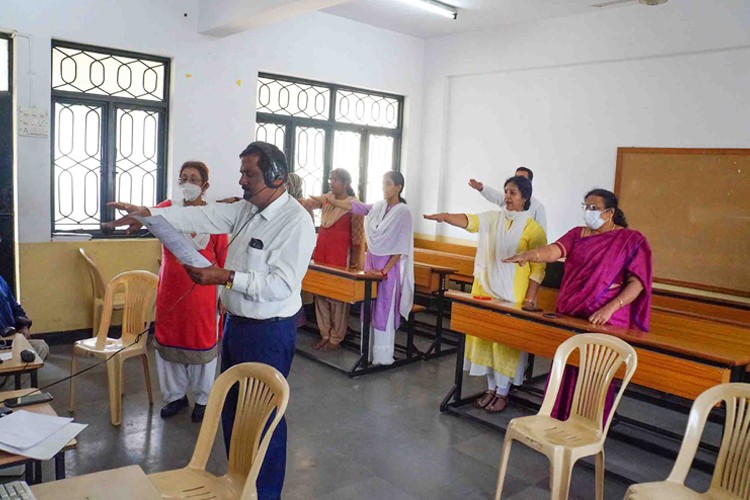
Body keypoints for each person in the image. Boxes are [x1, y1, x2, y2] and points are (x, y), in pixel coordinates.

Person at [106, 141, 315, 500]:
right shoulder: (247, 210)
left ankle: (264, 494)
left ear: (276, 176)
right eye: (242, 172)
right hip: (237, 325)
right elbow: (201, 216)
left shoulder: (295, 222)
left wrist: (224, 278)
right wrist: (147, 214)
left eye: (249, 173)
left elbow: (281, 285)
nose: (242, 181)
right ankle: (239, 482)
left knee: (262, 418)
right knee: (233, 411)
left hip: (268, 333)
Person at [504, 188, 652, 420]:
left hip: (606, 319)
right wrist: (530, 255)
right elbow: (554, 251)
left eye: (594, 208)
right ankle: (556, 420)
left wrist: (609, 308)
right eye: (585, 207)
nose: (588, 212)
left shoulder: (631, 240)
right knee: (566, 368)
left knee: (596, 375)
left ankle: (586, 426)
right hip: (572, 314)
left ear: (610, 212)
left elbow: (637, 283)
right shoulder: (578, 234)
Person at [424, 175, 546, 413]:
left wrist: (531, 298)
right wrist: (446, 217)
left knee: (504, 344)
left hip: (513, 295)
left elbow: (539, 269)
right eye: (506, 192)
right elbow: (470, 221)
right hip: (486, 290)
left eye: (512, 193)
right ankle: (490, 389)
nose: (507, 197)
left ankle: (503, 392)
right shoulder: (493, 218)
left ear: (525, 198)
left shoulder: (534, 228)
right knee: (485, 340)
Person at [153, 161, 228, 423]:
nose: (187, 184)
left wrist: (225, 298)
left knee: (203, 345)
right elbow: (146, 216)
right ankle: (175, 397)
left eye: (194, 179)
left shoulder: (214, 218)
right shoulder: (167, 210)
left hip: (203, 295)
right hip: (170, 293)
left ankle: (203, 399)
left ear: (205, 186)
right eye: (183, 178)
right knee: (169, 343)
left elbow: (224, 260)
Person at [321, 171, 413, 366]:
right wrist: (328, 200)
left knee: (383, 310)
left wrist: (385, 270)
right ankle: (368, 354)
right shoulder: (379, 207)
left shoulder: (403, 211)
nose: (384, 187)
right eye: (383, 183)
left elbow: (401, 246)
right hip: (372, 264)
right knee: (369, 308)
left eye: (388, 183)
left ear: (398, 187)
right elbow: (356, 207)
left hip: (388, 269)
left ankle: (383, 357)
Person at [303, 168, 364, 350]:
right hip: (322, 254)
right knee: (320, 294)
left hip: (340, 257)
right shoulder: (327, 200)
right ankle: (324, 333)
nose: (331, 182)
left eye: (335, 180)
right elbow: (307, 203)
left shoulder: (354, 205)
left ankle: (336, 337)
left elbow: (357, 237)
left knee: (338, 298)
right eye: (330, 179)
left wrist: (353, 262)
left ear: (345, 183)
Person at [469, 166, 547, 233]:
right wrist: (481, 188)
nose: (517, 181)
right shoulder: (507, 199)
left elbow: (541, 235)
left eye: (521, 179)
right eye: (516, 178)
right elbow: (495, 195)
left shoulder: (538, 207)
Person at [0, 274, 48, 360]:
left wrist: (23, 327)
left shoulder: (1, 282)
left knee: (41, 347)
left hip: (11, 340)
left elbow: (16, 308)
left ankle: (14, 369)